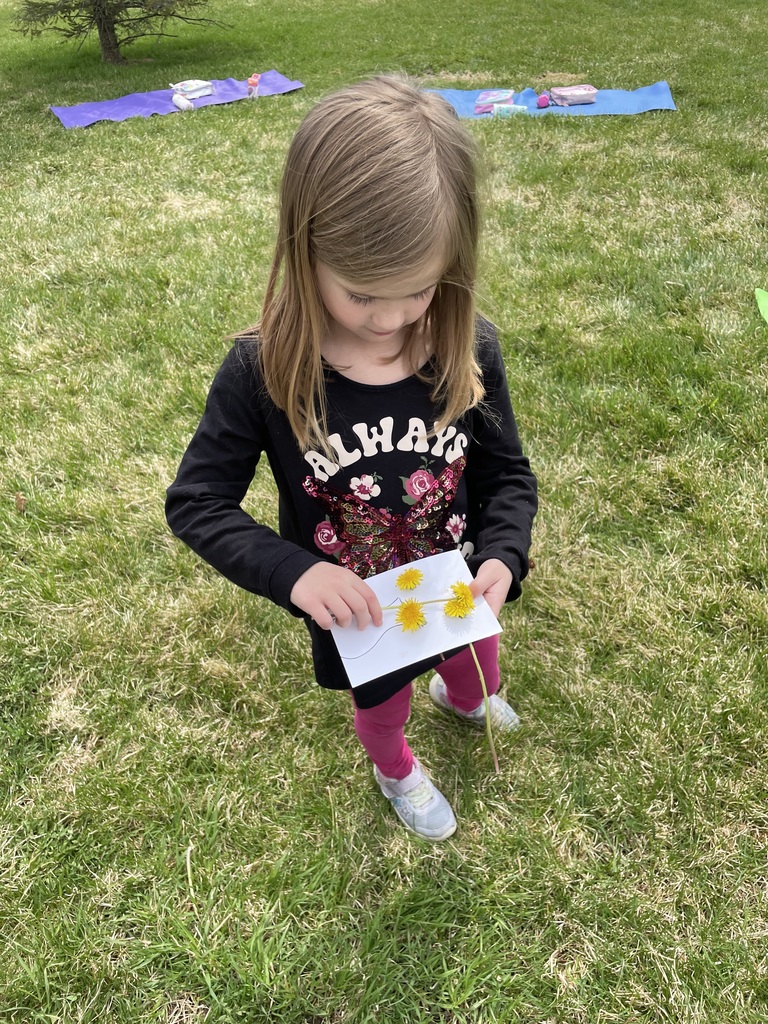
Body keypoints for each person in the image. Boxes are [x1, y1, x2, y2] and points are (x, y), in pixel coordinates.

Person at [166, 76, 538, 842]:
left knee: (479, 664)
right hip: (362, 617)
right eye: (363, 294)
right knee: (383, 708)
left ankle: (463, 700)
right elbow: (197, 503)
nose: (391, 317)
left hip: (456, 589)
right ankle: (395, 770)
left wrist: (504, 551)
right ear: (305, 252)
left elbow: (506, 473)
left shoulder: (469, 348)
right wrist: (296, 574)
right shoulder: (263, 372)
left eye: (419, 290)